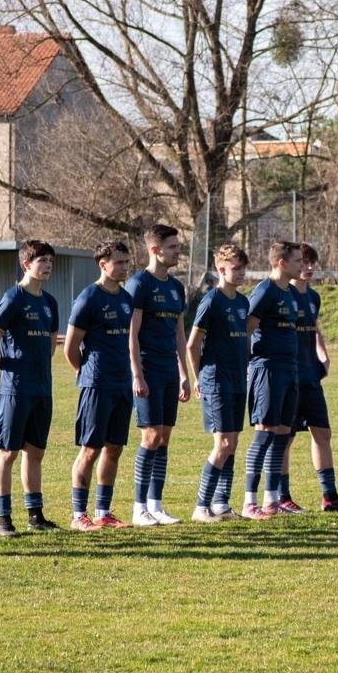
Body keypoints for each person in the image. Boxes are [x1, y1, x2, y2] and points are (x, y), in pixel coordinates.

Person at [0, 239, 61, 536]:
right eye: (42, 260)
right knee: (8, 453)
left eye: (50, 260)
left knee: (35, 452)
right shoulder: (14, 297)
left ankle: (35, 516)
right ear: (27, 264)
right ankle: (3, 519)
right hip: (14, 390)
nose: (48, 265)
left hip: (42, 389)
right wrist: (7, 368)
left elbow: (51, 343)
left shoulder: (50, 302)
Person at [283, 243, 338, 511]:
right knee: (287, 435)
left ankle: (330, 497)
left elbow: (314, 328)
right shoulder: (283, 295)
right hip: (289, 377)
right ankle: (282, 497)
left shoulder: (313, 296)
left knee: (322, 432)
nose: (308, 267)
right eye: (303, 262)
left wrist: (323, 354)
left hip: (310, 375)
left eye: (311, 263)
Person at [65, 240, 136, 529]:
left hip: (122, 382)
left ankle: (103, 512)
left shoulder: (125, 298)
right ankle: (78, 515)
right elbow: (71, 347)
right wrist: (86, 374)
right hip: (96, 384)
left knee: (114, 448)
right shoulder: (89, 298)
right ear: (102, 264)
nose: (124, 267)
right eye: (118, 262)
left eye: (126, 262)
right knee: (91, 449)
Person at [126, 223, 191, 525]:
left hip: (169, 370)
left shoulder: (177, 288)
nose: (179, 252)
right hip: (148, 369)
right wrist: (137, 374)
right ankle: (139, 507)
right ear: (155, 249)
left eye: (178, 247)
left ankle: (156, 504)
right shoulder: (139, 284)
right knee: (150, 436)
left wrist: (184, 373)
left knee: (164, 437)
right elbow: (132, 335)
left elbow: (179, 334)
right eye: (173, 247)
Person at [187, 244, 251, 522]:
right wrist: (198, 378)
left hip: (238, 380)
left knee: (233, 443)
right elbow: (192, 345)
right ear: (220, 269)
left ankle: (222, 504)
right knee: (223, 443)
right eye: (235, 268)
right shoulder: (211, 301)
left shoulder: (242, 302)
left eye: (242, 268)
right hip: (216, 380)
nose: (240, 273)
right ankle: (201, 507)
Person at [242, 240, 302, 518]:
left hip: (289, 370)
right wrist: (247, 367)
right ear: (282, 263)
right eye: (298, 261)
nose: (303, 265)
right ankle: (249, 501)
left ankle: (271, 499)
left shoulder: (290, 292)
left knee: (282, 433)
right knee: (264, 433)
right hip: (267, 370)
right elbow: (247, 330)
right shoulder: (264, 291)